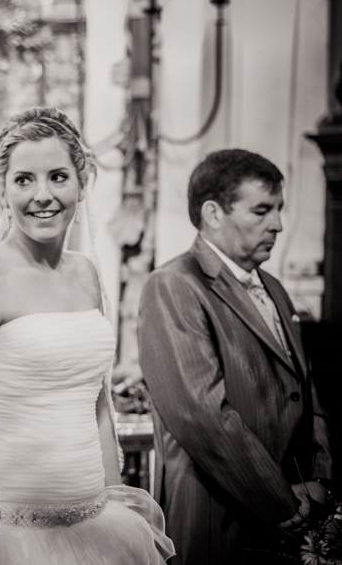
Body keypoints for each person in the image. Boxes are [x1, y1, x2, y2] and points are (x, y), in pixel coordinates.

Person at [0, 106, 174, 564]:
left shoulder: (88, 273)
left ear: (81, 182)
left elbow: (97, 405)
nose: (42, 196)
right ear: (3, 188)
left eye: (57, 177)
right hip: (14, 528)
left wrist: (114, 498)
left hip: (96, 520)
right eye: (24, 180)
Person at [138, 149, 333, 564]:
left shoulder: (275, 288)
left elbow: (306, 390)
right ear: (213, 213)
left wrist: (318, 476)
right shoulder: (175, 285)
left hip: (294, 509)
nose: (278, 225)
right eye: (262, 210)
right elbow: (203, 415)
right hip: (219, 518)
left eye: (279, 210)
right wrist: (280, 500)